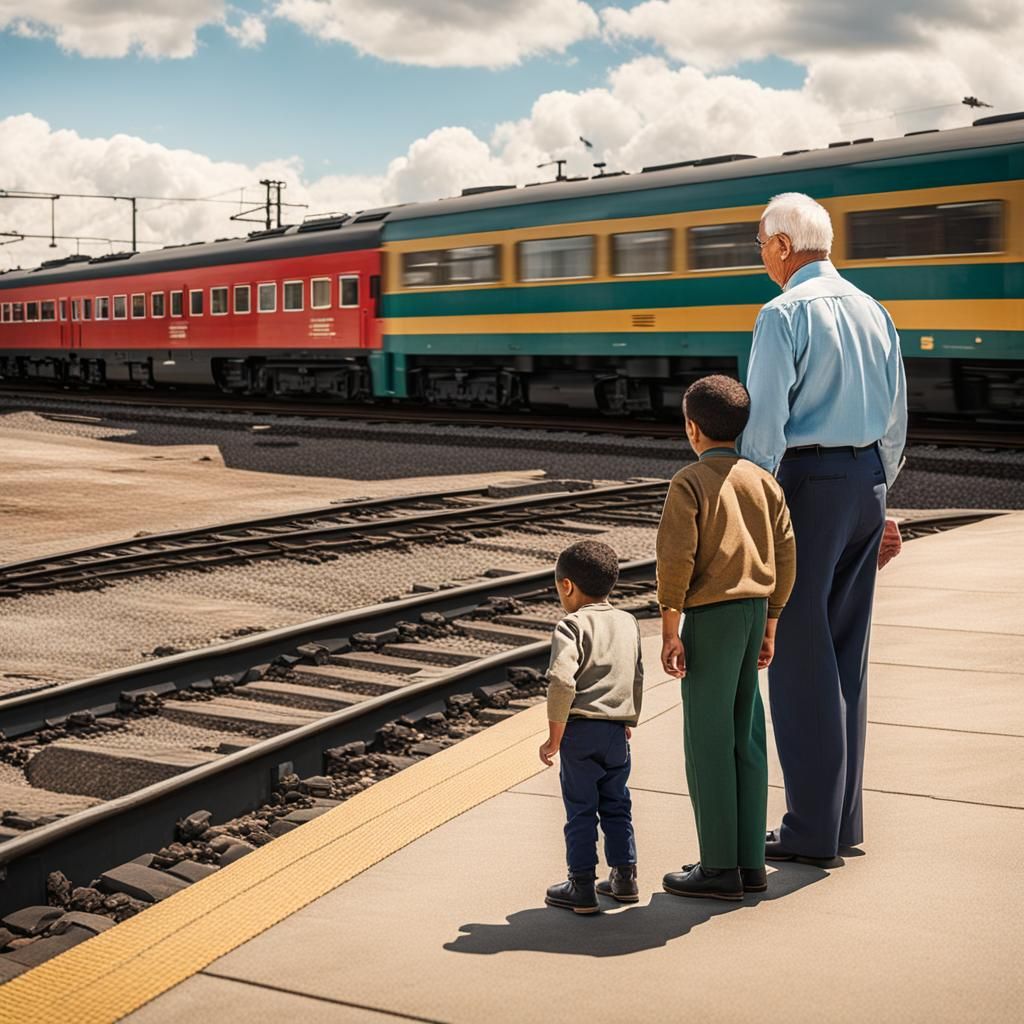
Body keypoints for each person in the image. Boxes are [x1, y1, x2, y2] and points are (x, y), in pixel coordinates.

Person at [740, 192, 907, 865]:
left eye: (760, 245)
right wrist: (880, 496)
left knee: (801, 660)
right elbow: (895, 418)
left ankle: (810, 831)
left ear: (783, 245)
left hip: (807, 490)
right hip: (866, 483)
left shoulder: (782, 314)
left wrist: (753, 512)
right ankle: (844, 822)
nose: (761, 257)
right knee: (847, 657)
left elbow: (765, 428)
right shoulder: (876, 310)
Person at [657, 375, 796, 900]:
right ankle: (750, 863)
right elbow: (786, 555)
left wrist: (671, 630)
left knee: (707, 740)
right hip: (755, 611)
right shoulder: (764, 482)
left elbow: (676, 559)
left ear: (692, 428)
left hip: (711, 619)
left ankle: (718, 868)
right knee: (748, 736)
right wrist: (772, 623)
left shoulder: (689, 482)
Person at [539, 540, 644, 914]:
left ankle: (581, 884)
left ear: (567, 586)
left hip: (581, 732)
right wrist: (627, 718)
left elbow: (563, 682)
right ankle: (624, 877)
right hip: (617, 732)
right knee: (617, 804)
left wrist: (555, 736)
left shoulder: (571, 625)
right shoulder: (628, 622)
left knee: (581, 809)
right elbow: (634, 674)